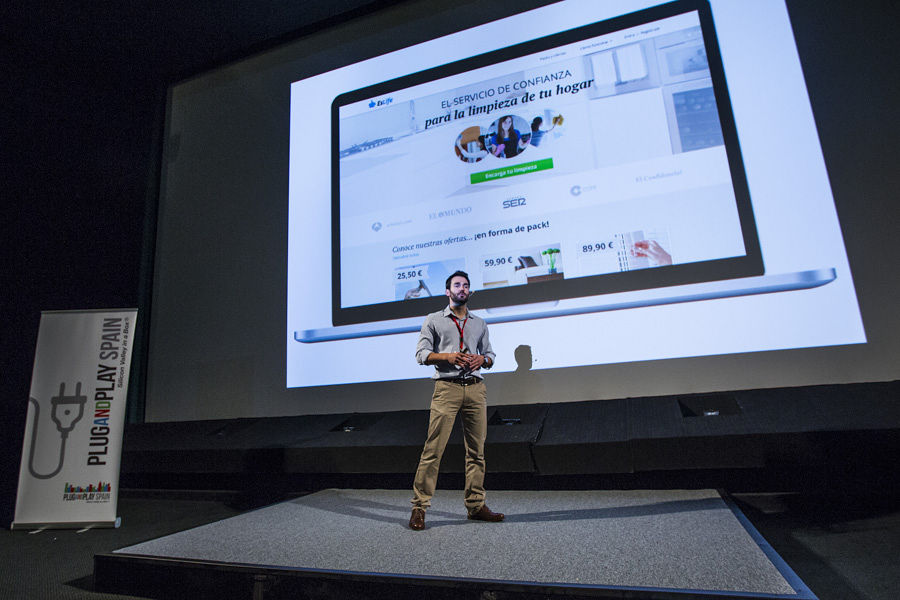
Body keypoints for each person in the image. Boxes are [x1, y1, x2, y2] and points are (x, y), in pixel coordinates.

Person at [409, 271, 504, 531]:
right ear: (447, 291)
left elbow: (491, 354)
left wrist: (481, 360)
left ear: (469, 292)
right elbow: (421, 354)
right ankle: (419, 507)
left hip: (475, 389)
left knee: (477, 452)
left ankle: (476, 506)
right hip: (446, 387)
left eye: (466, 286)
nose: (462, 289)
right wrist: (447, 357)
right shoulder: (433, 320)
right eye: (457, 285)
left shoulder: (480, 323)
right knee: (433, 451)